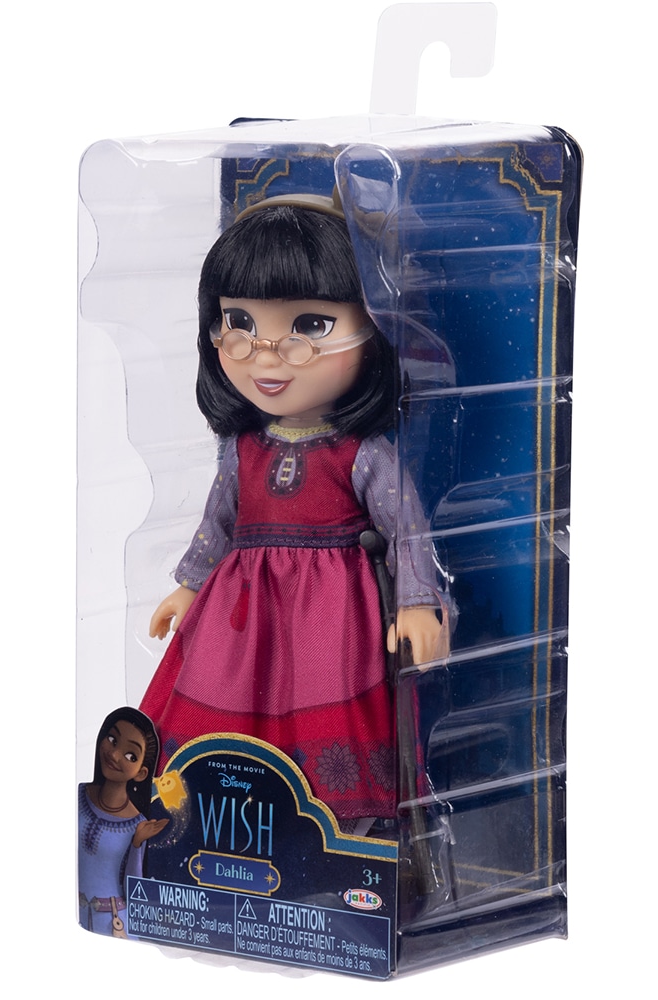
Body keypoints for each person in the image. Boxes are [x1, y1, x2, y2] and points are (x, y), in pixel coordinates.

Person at [140, 193, 446, 826]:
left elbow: (407, 531)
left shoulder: (363, 454)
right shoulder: (243, 449)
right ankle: (222, 820)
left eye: (310, 325)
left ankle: (336, 833)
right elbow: (218, 523)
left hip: (333, 617)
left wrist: (419, 603)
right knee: (222, 699)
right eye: (239, 323)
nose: (267, 353)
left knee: (323, 710)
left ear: (373, 327)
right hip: (239, 613)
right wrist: (190, 586)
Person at [78, 707, 167, 936]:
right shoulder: (78, 796)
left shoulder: (136, 824)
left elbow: (134, 889)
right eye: (112, 740)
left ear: (141, 773)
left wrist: (137, 844)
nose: (115, 755)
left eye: (130, 756)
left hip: (115, 925)